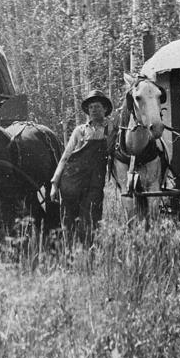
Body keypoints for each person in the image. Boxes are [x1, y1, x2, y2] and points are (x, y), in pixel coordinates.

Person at [50, 90, 115, 246]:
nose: (94, 110)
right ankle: (70, 255)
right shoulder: (80, 131)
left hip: (94, 184)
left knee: (91, 219)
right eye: (91, 107)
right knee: (69, 220)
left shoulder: (112, 129)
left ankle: (88, 255)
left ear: (105, 109)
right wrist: (54, 184)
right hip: (71, 182)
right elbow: (65, 157)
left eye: (97, 107)